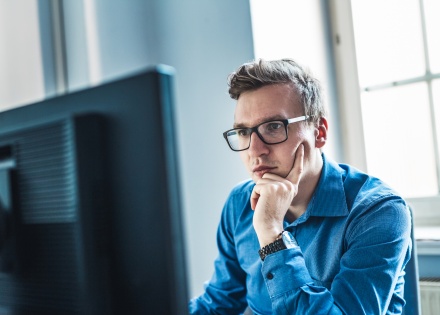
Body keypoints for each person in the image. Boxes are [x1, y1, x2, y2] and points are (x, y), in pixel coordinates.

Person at [189, 59, 411, 314]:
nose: (254, 150)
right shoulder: (240, 202)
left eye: (273, 127)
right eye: (243, 132)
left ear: (319, 132)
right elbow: (219, 303)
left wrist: (272, 234)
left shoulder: (379, 211)